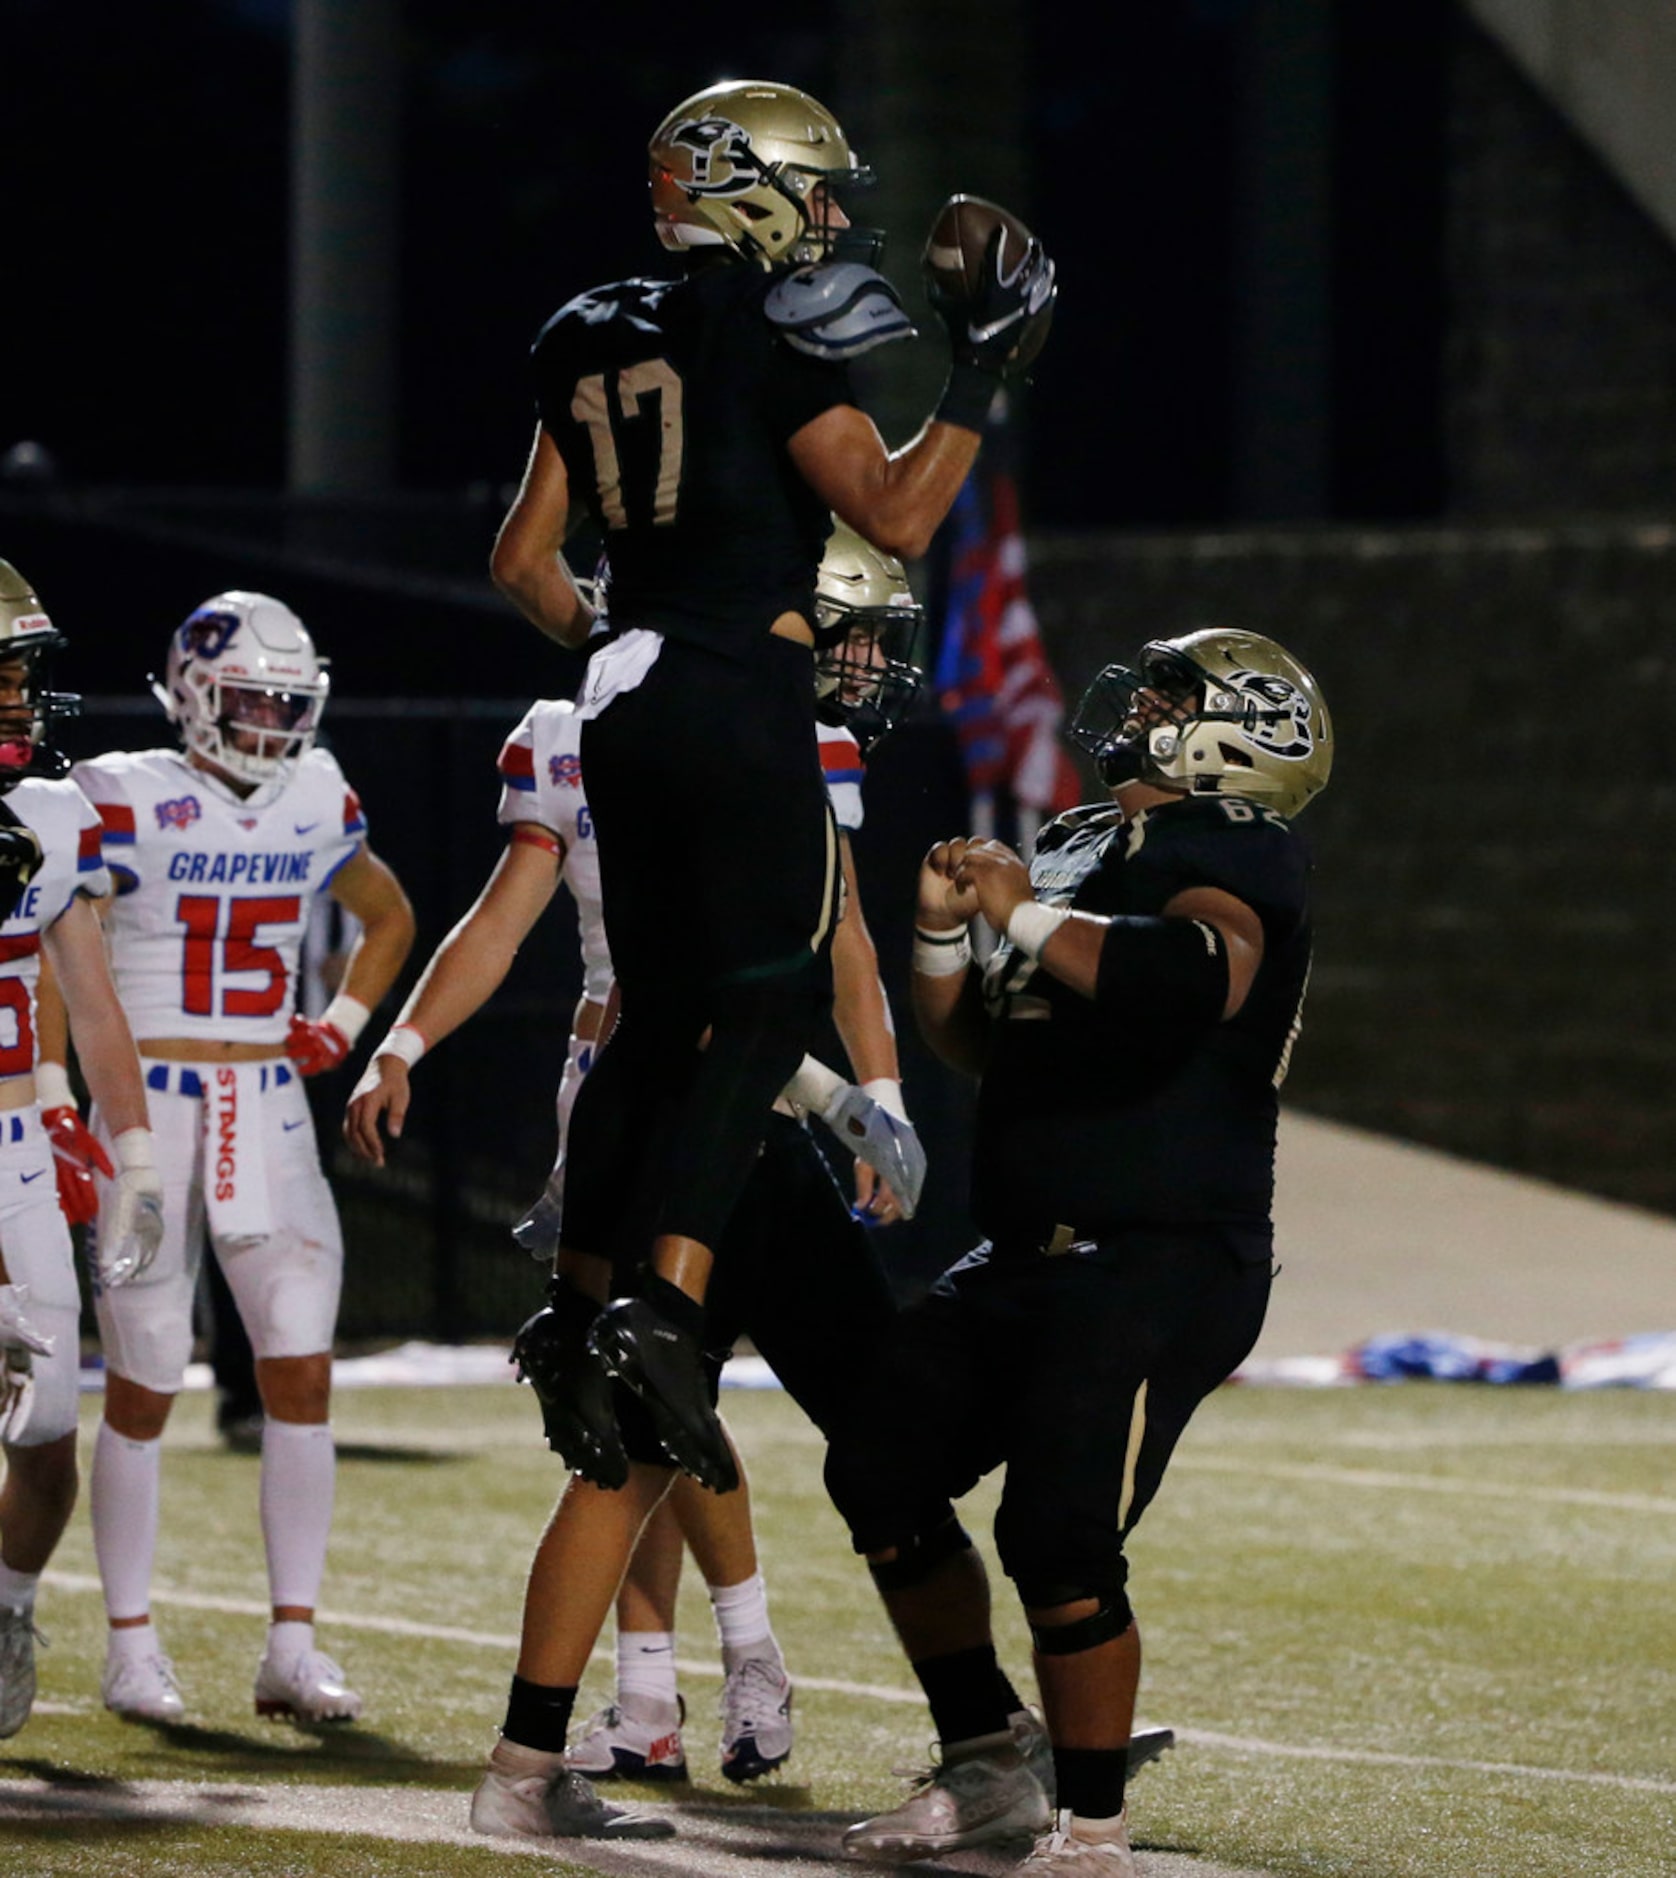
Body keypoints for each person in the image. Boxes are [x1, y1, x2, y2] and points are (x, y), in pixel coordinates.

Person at [488, 78, 1056, 1494]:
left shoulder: (585, 329)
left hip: (618, 693)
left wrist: (614, 638)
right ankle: (663, 1310)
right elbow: (903, 514)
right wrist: (984, 373)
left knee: (657, 1018)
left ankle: (574, 1309)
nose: (834, 217)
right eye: (815, 189)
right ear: (743, 186)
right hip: (734, 684)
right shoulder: (783, 323)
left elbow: (521, 563)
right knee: (760, 1001)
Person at [344, 530, 925, 1841]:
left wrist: (872, 1095)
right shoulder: (615, 713)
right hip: (674, 1079)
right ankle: (945, 1711)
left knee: (648, 1412)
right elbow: (505, 916)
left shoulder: (740, 711)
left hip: (697, 1081)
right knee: (659, 1412)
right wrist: (402, 1042)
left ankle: (623, 1710)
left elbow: (840, 937)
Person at [825, 628, 1332, 1873]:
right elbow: (988, 1042)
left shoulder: (1235, 853)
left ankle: (1093, 1832)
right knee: (879, 1465)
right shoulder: (1080, 842)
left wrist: (1026, 907)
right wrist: (943, 936)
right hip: (1027, 1245)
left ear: (1242, 735)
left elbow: (1189, 979)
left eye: (1176, 694)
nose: (1141, 702)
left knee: (1054, 1537)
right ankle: (986, 1763)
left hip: (1163, 1254)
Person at [44, 591, 415, 1727]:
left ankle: (291, 1648)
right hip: (146, 1104)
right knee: (147, 1374)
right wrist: (64, 1099)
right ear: (195, 692)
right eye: (248, 698)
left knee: (300, 1369)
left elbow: (387, 915)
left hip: (265, 1100)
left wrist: (338, 1031)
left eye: (283, 702)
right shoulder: (120, 795)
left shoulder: (314, 791)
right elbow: (63, 944)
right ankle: (129, 1646)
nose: (268, 723)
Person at [0, 559, 165, 1738]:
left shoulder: (51, 815)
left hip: (9, 1140)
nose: (22, 700)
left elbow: (95, 1003)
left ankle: (7, 1609)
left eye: (23, 677)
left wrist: (138, 1156)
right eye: (0, 678)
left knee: (50, 1420)